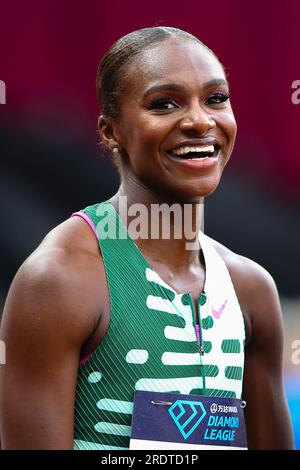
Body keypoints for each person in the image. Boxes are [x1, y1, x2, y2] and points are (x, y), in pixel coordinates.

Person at [0, 27, 294, 450]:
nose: (199, 121)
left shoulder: (250, 289)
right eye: (164, 104)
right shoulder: (61, 279)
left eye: (216, 98)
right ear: (110, 131)